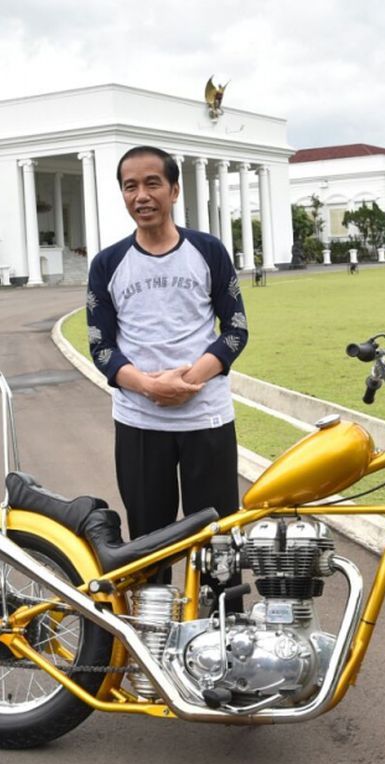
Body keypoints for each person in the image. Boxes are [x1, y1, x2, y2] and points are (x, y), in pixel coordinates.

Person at [86, 146, 247, 594]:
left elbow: (235, 329)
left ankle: (221, 641)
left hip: (206, 419)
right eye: (130, 186)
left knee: (217, 541)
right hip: (140, 422)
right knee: (148, 543)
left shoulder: (208, 251)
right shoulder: (107, 264)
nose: (141, 195)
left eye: (152, 183)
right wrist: (149, 386)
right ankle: (154, 644)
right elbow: (101, 346)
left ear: (174, 190)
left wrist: (189, 381)